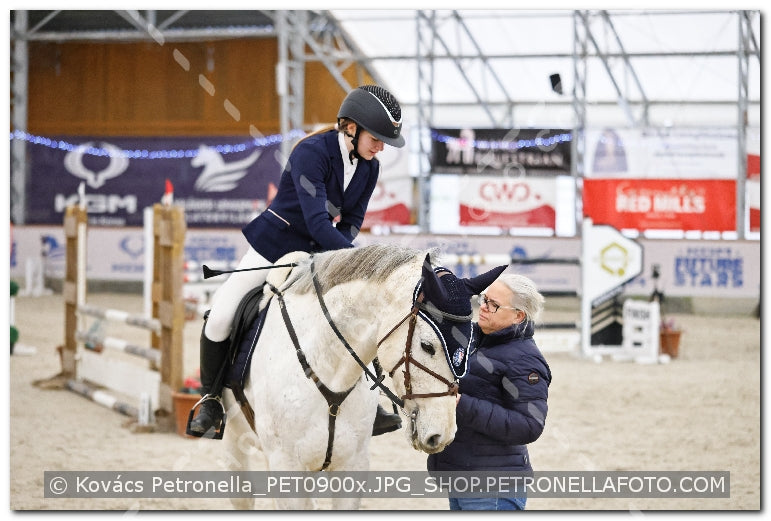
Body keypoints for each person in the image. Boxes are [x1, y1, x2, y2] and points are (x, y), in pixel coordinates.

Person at [189, 84, 406, 437]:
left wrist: (346, 261)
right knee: (221, 314)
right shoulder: (311, 152)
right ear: (351, 128)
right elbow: (318, 221)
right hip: (275, 246)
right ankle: (211, 400)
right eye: (377, 138)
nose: (381, 147)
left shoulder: (369, 168)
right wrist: (357, 262)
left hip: (320, 252)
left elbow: (351, 222)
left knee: (357, 314)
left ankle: (369, 401)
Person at [426, 273, 551, 511]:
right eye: (484, 299)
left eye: (494, 305)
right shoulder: (475, 338)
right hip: (462, 477)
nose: (483, 307)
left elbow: (529, 425)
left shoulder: (526, 360)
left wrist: (461, 404)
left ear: (518, 316)